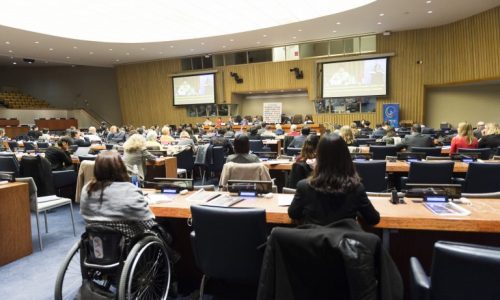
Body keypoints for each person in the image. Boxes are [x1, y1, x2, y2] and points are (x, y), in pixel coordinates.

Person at [288, 134, 380, 226]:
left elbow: (293, 213)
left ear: (318, 157)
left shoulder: (303, 186)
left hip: (314, 239)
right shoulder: (356, 188)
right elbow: (373, 219)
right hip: (344, 239)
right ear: (346, 157)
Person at [79, 150, 155, 223]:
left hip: (95, 235)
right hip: (130, 235)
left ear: (96, 168)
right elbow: (148, 219)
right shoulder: (130, 190)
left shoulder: (87, 189)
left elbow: (84, 214)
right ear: (121, 167)